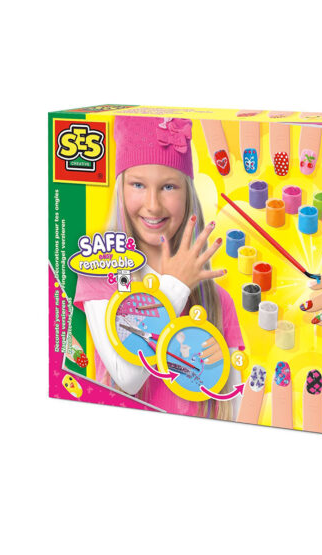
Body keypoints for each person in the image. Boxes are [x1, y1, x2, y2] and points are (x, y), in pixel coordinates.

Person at [74, 116, 244, 420]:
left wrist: (221, 367)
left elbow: (236, 407)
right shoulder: (101, 273)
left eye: (168, 186)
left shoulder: (219, 301)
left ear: (188, 195)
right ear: (121, 189)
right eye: (138, 184)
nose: (152, 205)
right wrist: (174, 287)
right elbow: (127, 378)